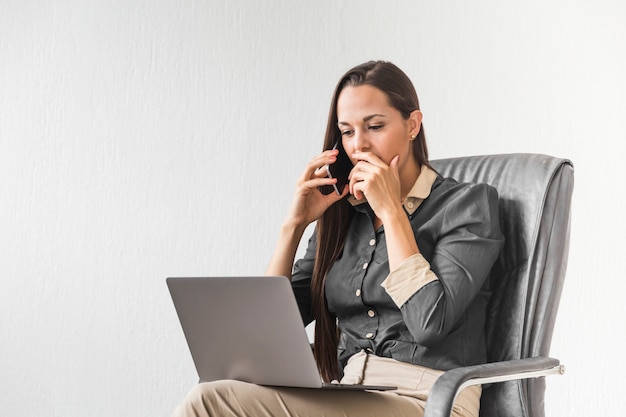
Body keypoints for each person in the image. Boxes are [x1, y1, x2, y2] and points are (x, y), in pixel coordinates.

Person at [173, 61, 504, 417]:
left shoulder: (468, 205)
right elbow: (266, 333)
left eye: (374, 126)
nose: (358, 144)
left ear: (412, 125)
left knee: (210, 401)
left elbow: (429, 323)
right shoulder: (344, 216)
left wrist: (392, 212)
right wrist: (294, 225)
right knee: (215, 392)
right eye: (346, 132)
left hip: (431, 399)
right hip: (350, 391)